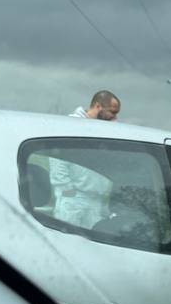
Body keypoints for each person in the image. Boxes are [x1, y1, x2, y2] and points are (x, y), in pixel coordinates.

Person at [50, 90, 120, 227]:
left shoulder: (103, 130)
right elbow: (57, 161)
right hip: (74, 199)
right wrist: (68, 192)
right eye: (112, 112)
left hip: (95, 200)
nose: (115, 118)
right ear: (98, 106)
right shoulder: (70, 125)